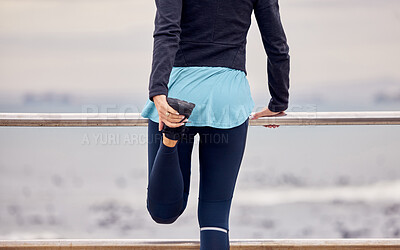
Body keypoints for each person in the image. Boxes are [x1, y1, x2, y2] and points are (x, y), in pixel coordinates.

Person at [141, 0, 290, 248]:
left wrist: (158, 91)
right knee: (215, 216)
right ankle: (171, 139)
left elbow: (167, 31)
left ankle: (170, 139)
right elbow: (276, 45)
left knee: (163, 212)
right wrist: (278, 101)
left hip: (179, 95)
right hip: (228, 97)